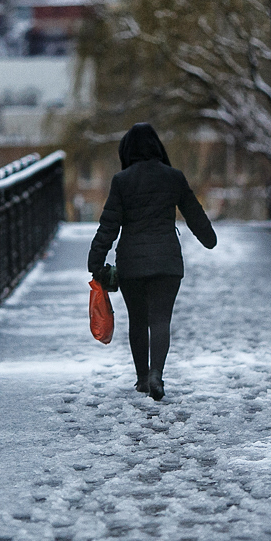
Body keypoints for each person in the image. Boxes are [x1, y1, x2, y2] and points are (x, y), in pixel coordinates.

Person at [88, 123, 217, 400]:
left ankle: (143, 378)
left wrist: (95, 261)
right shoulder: (173, 177)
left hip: (132, 264)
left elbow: (109, 225)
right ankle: (157, 372)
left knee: (137, 320)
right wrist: (209, 238)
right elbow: (194, 213)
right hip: (167, 263)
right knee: (160, 320)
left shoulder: (122, 181)